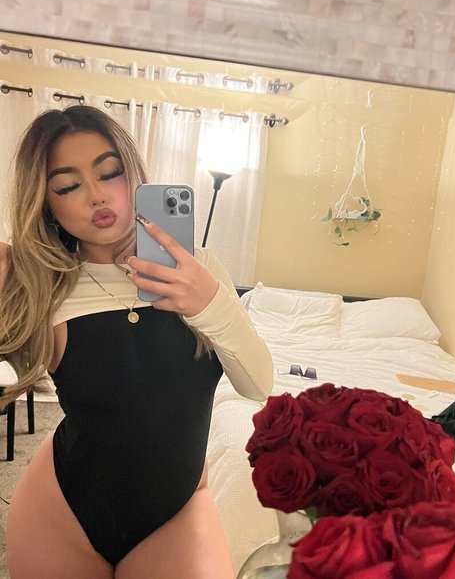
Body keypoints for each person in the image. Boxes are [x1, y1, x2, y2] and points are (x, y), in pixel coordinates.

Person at [0, 105, 274, 579]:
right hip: (62, 511)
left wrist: (209, 302)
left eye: (110, 173)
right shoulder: (40, 285)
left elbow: (258, 385)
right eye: (67, 186)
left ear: (134, 174)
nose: (96, 195)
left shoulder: (197, 267)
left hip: (176, 509)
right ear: (46, 202)